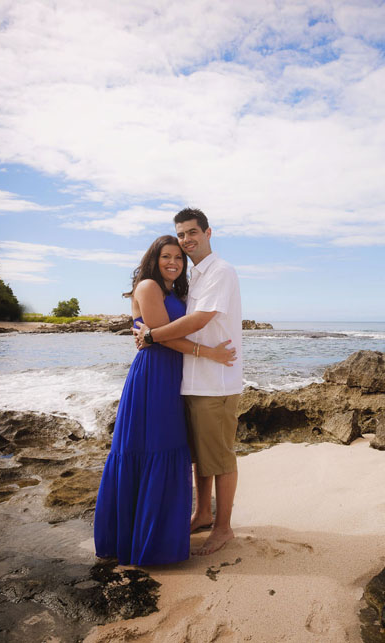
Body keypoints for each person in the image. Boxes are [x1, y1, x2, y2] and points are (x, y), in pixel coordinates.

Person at [94, 235, 236, 566]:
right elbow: (163, 337)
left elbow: (168, 331)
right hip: (154, 378)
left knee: (171, 448)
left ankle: (165, 531)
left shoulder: (176, 291)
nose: (173, 262)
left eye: (178, 257)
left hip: (176, 378)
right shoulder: (148, 287)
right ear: (153, 260)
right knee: (153, 449)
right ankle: (143, 539)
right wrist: (208, 353)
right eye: (166, 256)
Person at [135, 208, 243, 556]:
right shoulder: (193, 276)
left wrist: (151, 336)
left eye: (192, 233)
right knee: (200, 456)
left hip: (216, 382)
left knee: (220, 458)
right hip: (190, 381)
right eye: (181, 235)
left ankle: (224, 528)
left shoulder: (221, 272)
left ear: (208, 232)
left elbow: (199, 319)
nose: (187, 240)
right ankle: (203, 513)